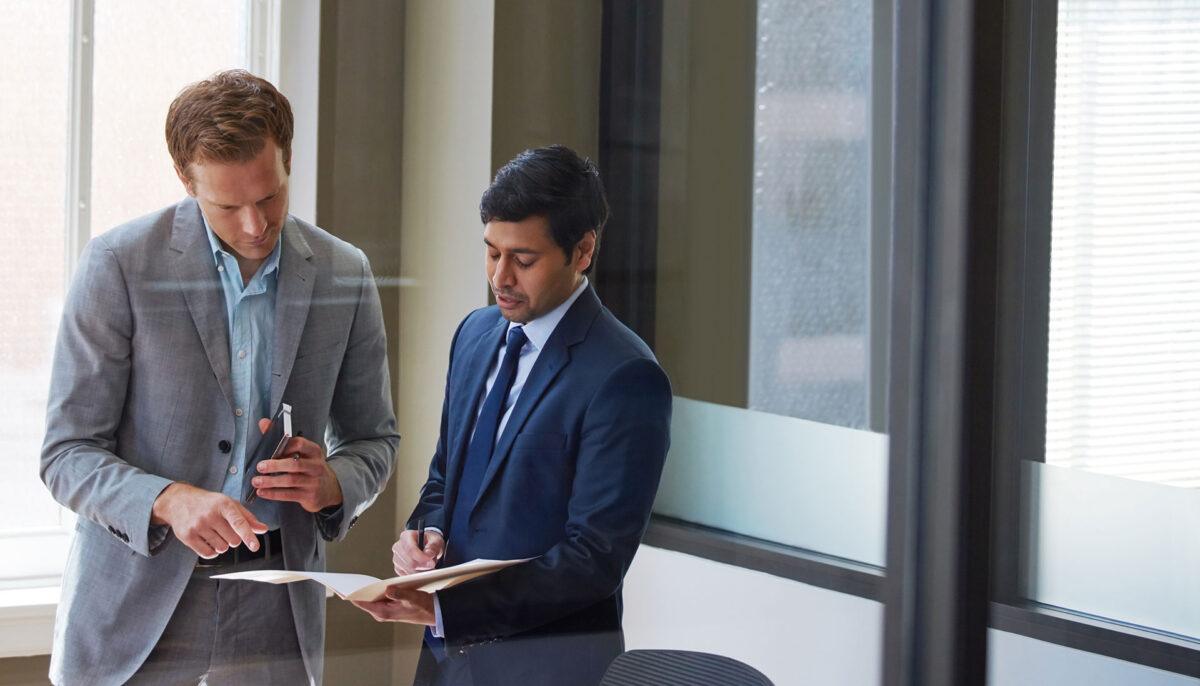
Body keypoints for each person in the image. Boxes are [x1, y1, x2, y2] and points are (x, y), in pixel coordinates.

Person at [40, 70, 399, 685]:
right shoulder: (118, 265)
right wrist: (166, 500)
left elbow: (375, 440)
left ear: (287, 160)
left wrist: (333, 482)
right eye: (228, 206)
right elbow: (66, 453)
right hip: (136, 600)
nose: (255, 225)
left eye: (270, 197)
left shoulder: (346, 271)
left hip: (277, 605)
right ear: (186, 181)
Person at [352, 145, 672, 686]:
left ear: (583, 250)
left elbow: (593, 559)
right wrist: (422, 534)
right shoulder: (474, 335)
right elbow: (445, 479)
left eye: (523, 260)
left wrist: (450, 611)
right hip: (444, 662)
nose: (500, 276)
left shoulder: (625, 376)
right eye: (491, 252)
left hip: (546, 669)